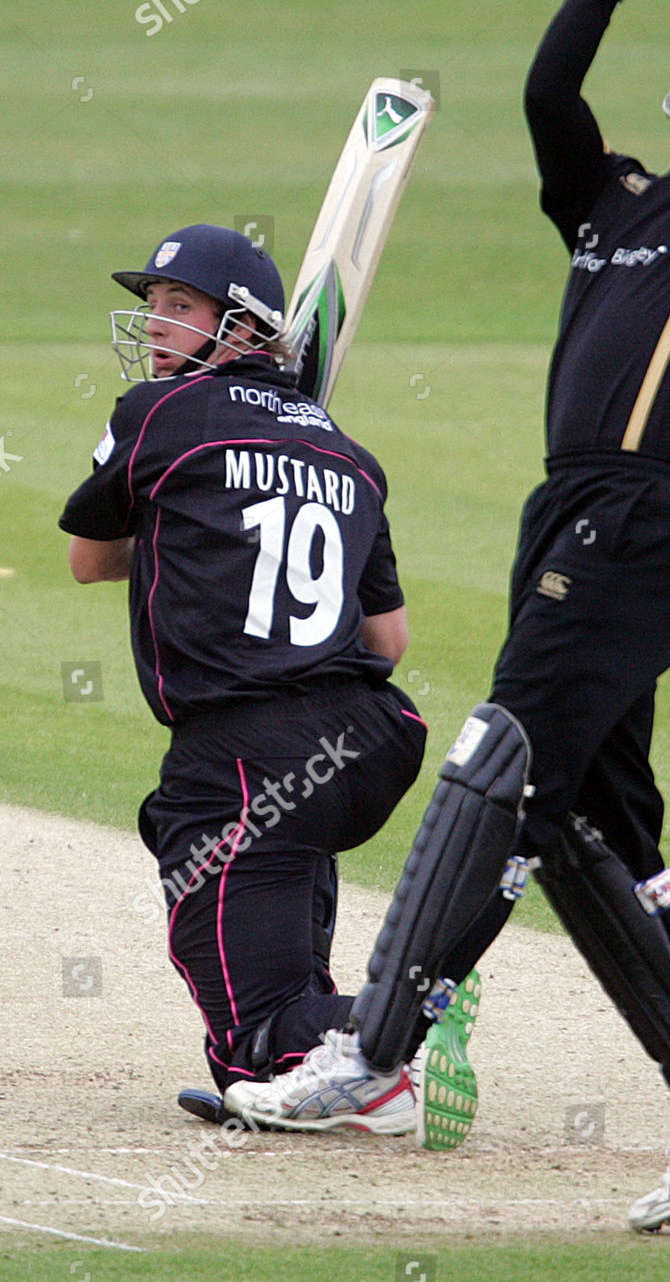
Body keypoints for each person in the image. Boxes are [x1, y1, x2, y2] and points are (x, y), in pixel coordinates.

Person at [224, 0, 670, 1230]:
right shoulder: (617, 202)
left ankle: (375, 1053)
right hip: (568, 512)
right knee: (585, 826)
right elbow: (548, 89)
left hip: (647, 515)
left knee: (499, 758)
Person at [59, 223, 439, 1131]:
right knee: (258, 859)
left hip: (244, 753)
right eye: (152, 305)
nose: (155, 323)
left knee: (248, 1033)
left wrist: (194, 524)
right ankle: (328, 1069)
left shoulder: (156, 415)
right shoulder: (351, 456)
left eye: (178, 306)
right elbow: (388, 639)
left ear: (241, 329)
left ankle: (390, 1029)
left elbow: (89, 560)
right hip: (369, 740)